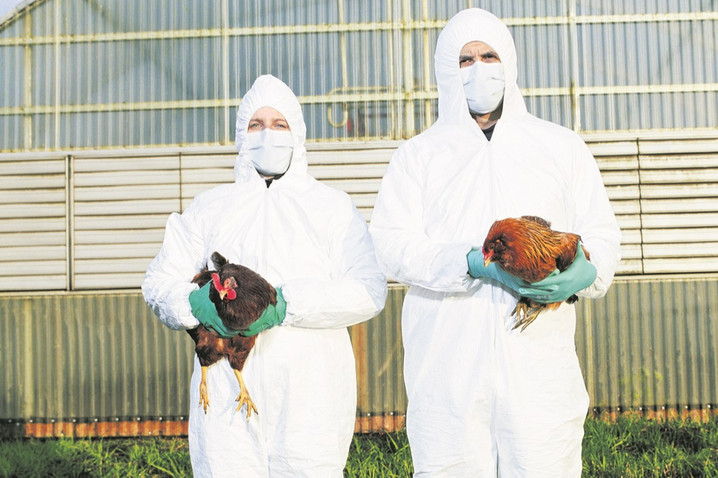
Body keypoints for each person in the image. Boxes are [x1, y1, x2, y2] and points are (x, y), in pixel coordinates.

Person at [369, 8, 621, 477]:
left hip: (539, 371)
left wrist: (586, 269)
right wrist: (465, 263)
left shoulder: (559, 146)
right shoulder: (419, 156)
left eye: (489, 55)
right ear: (447, 71)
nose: (479, 67)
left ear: (509, 64)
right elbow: (390, 244)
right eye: (465, 60)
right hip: (449, 368)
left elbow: (602, 234)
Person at [142, 74, 387, 477]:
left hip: (312, 392)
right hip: (226, 391)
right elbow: (158, 282)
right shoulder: (211, 208)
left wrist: (287, 305)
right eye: (256, 125)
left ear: (298, 134)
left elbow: (369, 289)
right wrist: (192, 304)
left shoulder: (331, 208)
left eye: (279, 124)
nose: (267, 134)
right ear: (241, 134)